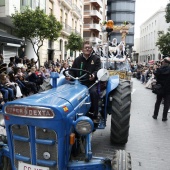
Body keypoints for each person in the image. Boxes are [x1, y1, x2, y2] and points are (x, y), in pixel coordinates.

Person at [65, 41, 101, 123]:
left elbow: (97, 70)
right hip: (79, 83)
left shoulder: (96, 59)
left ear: (91, 49)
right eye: (86, 47)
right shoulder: (78, 59)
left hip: (91, 83)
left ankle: (94, 114)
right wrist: (69, 76)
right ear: (82, 49)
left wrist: (93, 75)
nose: (87, 49)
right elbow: (72, 71)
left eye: (89, 47)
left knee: (93, 92)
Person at [152, 57, 170, 121]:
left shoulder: (159, 69)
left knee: (158, 102)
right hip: (168, 89)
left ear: (163, 62)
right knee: (166, 103)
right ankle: (164, 117)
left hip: (160, 88)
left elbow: (155, 74)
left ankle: (155, 115)